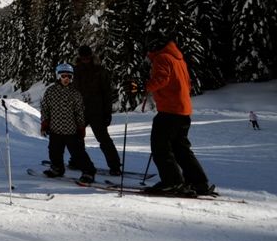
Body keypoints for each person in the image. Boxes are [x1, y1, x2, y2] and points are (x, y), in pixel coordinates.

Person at [137, 39, 216, 196]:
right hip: (183, 111)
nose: (147, 55)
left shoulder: (162, 58)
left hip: (170, 110)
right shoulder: (178, 58)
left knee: (161, 147)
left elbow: (162, 79)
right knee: (181, 149)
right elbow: (187, 83)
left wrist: (142, 86)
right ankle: (198, 182)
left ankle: (172, 182)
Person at [41, 63, 97, 184]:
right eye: (63, 76)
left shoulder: (75, 93)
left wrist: (81, 127)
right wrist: (45, 123)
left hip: (72, 130)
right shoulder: (50, 91)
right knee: (54, 151)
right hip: (55, 129)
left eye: (69, 77)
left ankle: (88, 172)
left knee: (78, 154)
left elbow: (79, 111)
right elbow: (45, 108)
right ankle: (57, 168)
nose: (66, 79)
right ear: (58, 76)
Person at [73, 45, 122, 176]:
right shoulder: (75, 70)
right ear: (80, 58)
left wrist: (107, 112)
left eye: (87, 58)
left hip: (97, 110)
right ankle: (77, 161)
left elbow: (107, 93)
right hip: (80, 110)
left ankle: (115, 166)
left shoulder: (100, 71)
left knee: (103, 139)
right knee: (76, 138)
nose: (85, 60)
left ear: (91, 56)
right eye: (83, 58)